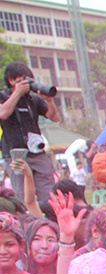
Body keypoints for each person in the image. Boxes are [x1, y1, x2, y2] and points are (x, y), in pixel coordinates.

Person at [0, 62, 58, 206]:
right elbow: (3, 113)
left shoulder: (33, 99)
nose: (26, 83)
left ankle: (51, 219)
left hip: (37, 151)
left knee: (49, 193)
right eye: (21, 79)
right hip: (15, 153)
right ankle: (29, 223)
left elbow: (54, 117)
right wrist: (17, 93)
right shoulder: (2, 96)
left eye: (28, 79)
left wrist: (49, 101)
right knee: (23, 195)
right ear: (11, 80)